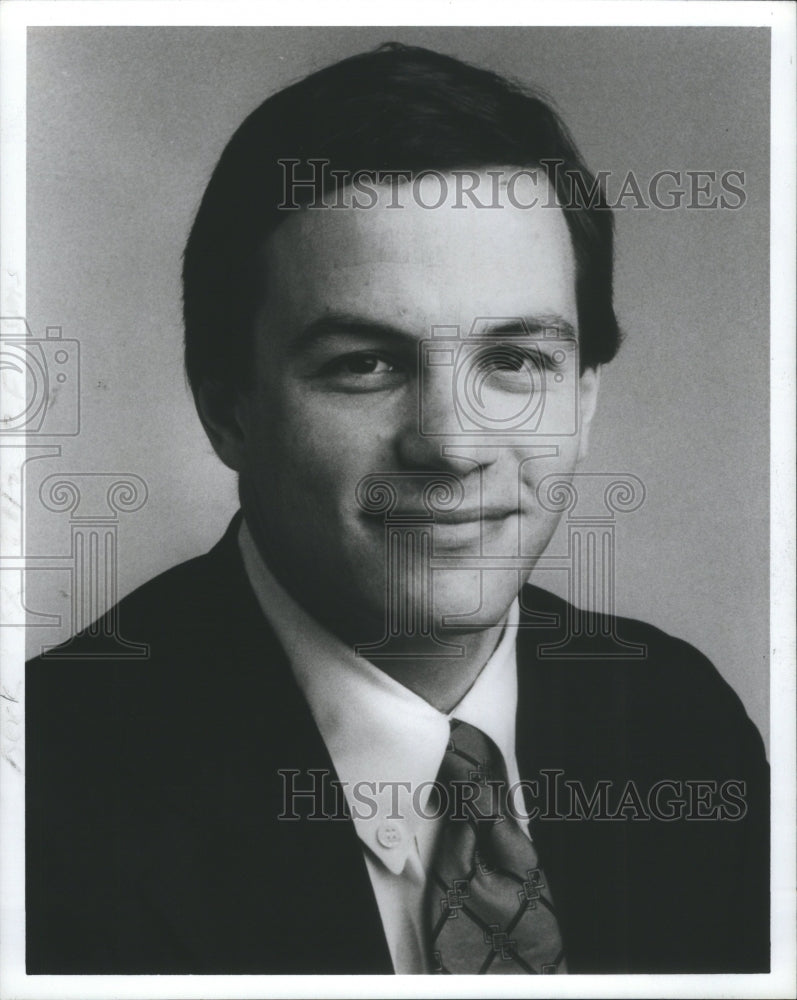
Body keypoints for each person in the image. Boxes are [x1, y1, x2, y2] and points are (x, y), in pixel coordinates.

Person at [26, 42, 768, 976]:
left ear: (582, 400)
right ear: (229, 410)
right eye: (365, 364)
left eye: (515, 361)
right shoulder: (42, 786)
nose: (453, 444)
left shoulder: (678, 725)